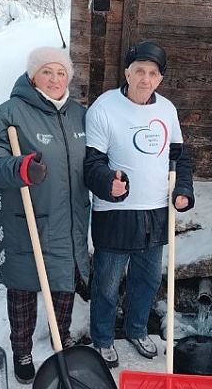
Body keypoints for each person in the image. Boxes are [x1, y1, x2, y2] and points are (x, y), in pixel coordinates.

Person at [0, 47, 90, 385]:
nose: (54, 79)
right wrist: (21, 167)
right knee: (24, 287)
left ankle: (62, 337)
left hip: (70, 218)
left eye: (60, 72)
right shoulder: (7, 114)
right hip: (26, 218)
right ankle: (22, 349)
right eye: (47, 72)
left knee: (64, 282)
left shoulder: (80, 115)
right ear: (32, 76)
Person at [84, 41, 195, 368]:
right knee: (106, 282)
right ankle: (102, 338)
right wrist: (108, 183)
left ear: (160, 78)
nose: (145, 79)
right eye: (140, 71)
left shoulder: (167, 111)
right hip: (115, 213)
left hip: (156, 212)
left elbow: (180, 159)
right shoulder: (104, 108)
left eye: (153, 73)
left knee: (146, 281)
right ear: (127, 72)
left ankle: (135, 329)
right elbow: (92, 165)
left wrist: (183, 189)